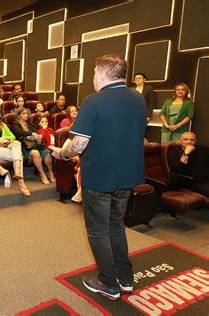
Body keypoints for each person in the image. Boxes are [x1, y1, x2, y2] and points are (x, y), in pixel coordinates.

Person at [50, 54, 147, 300]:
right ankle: (125, 279)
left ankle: (108, 283)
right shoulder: (138, 98)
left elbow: (79, 144)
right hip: (126, 175)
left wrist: (62, 153)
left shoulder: (94, 101)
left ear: (103, 74)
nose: (92, 78)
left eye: (94, 73)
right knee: (116, 226)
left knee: (98, 231)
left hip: (100, 176)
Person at [0, 106, 30, 196]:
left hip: (7, 146)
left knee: (16, 143)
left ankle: (18, 173)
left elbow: (13, 136)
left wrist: (6, 139)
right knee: (19, 156)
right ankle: (21, 181)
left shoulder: (2, 124)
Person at [11, 107, 54, 184]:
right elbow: (19, 133)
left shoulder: (29, 124)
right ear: (18, 115)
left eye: (26, 113)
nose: (26, 115)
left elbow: (36, 132)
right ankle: (42, 174)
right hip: (24, 147)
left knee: (47, 153)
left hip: (35, 145)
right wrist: (32, 134)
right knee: (35, 153)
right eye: (23, 113)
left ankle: (50, 173)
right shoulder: (15, 124)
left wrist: (39, 136)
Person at [167, 131, 209, 197]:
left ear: (195, 141)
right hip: (192, 181)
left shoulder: (203, 149)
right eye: (185, 139)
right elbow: (178, 170)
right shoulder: (174, 152)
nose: (189, 142)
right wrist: (186, 153)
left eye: (192, 140)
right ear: (180, 140)